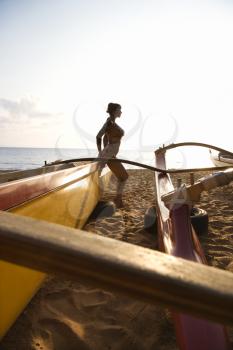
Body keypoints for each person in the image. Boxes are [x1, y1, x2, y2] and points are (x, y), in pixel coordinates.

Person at [96, 102, 129, 208]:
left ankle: (117, 198)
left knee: (124, 176)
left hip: (111, 155)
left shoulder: (112, 123)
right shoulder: (109, 122)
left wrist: (110, 152)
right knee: (95, 175)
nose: (121, 112)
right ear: (115, 111)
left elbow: (106, 137)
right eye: (120, 109)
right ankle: (116, 199)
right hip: (107, 154)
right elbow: (99, 136)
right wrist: (101, 151)